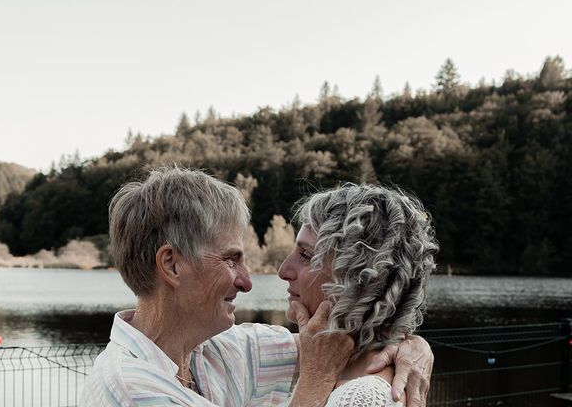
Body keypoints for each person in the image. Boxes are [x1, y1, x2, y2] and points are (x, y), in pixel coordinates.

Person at [81, 166, 433, 406]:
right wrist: (314, 382)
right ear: (172, 265)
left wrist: (412, 346)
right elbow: (321, 360)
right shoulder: (133, 392)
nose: (248, 281)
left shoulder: (216, 351)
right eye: (231, 260)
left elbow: (335, 346)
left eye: (306, 254)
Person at [278, 183, 438, 407]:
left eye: (305, 255)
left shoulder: (362, 398)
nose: (283, 271)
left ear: (359, 278)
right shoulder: (332, 370)